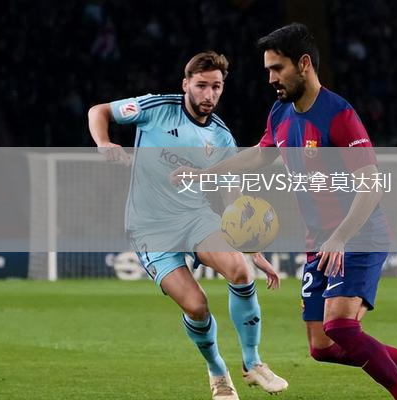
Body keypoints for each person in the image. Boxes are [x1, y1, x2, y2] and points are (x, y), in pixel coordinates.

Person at [172, 24, 397, 400]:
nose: (271, 78)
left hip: (357, 234)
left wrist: (340, 238)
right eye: (268, 70)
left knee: (341, 328)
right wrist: (204, 175)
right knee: (321, 347)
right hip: (319, 241)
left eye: (277, 68)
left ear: (304, 64)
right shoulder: (280, 112)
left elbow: (372, 185)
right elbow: (258, 156)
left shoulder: (339, 115)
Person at [87, 51, 288, 400]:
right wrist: (104, 143)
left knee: (241, 271)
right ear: (185, 85)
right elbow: (98, 111)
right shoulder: (156, 108)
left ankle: (253, 363)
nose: (209, 94)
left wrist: (252, 249)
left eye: (216, 87)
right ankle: (218, 371)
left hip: (195, 217)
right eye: (201, 86)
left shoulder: (221, 136)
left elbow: (230, 192)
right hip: (150, 229)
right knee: (196, 306)